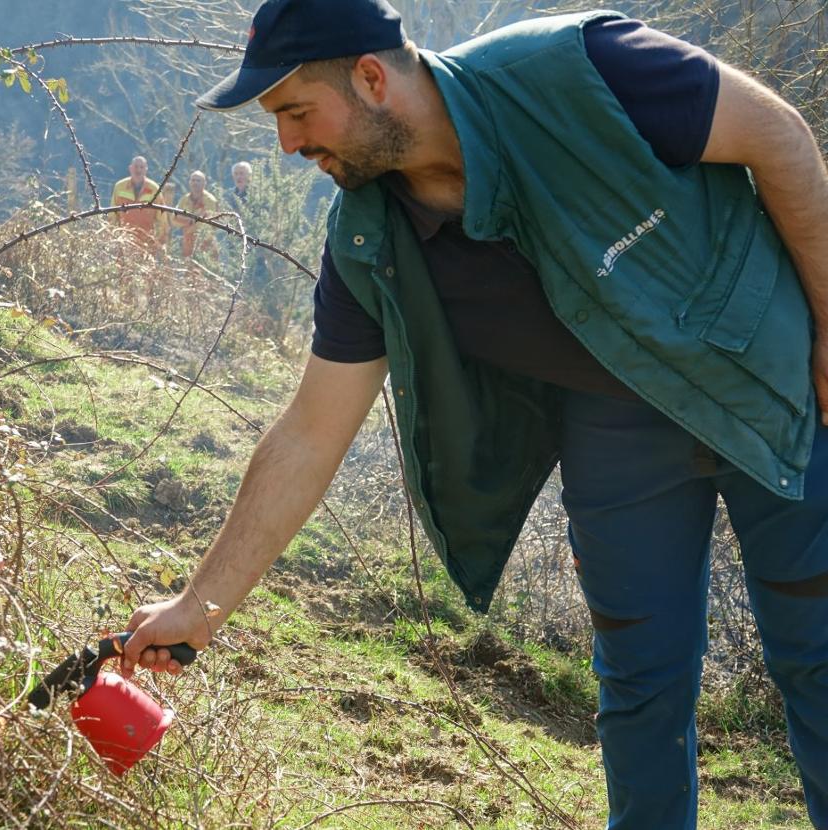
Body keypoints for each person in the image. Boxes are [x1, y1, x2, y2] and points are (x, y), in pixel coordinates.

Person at [120, 1, 828, 827]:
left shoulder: (582, 67)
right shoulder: (368, 242)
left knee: (818, 659)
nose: (287, 145)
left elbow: (777, 135)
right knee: (640, 686)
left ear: (372, 77)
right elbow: (310, 434)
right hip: (616, 426)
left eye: (296, 113)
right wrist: (198, 609)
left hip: (769, 376)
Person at [110, 155, 161, 254]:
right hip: (124, 240)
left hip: (147, 242)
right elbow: (113, 214)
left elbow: (162, 218)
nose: (138, 170)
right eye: (136, 166)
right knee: (123, 268)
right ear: (130, 168)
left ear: (146, 169)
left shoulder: (154, 189)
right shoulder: (119, 186)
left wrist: (159, 241)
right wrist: (113, 236)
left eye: (141, 167)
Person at [174, 170, 220, 258]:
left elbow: (207, 223)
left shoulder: (210, 200)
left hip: (206, 243)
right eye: (193, 180)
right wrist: (191, 220)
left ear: (204, 183)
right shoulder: (184, 199)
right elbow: (174, 219)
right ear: (189, 182)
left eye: (198, 180)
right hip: (187, 242)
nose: (195, 183)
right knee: (189, 270)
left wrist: (186, 221)